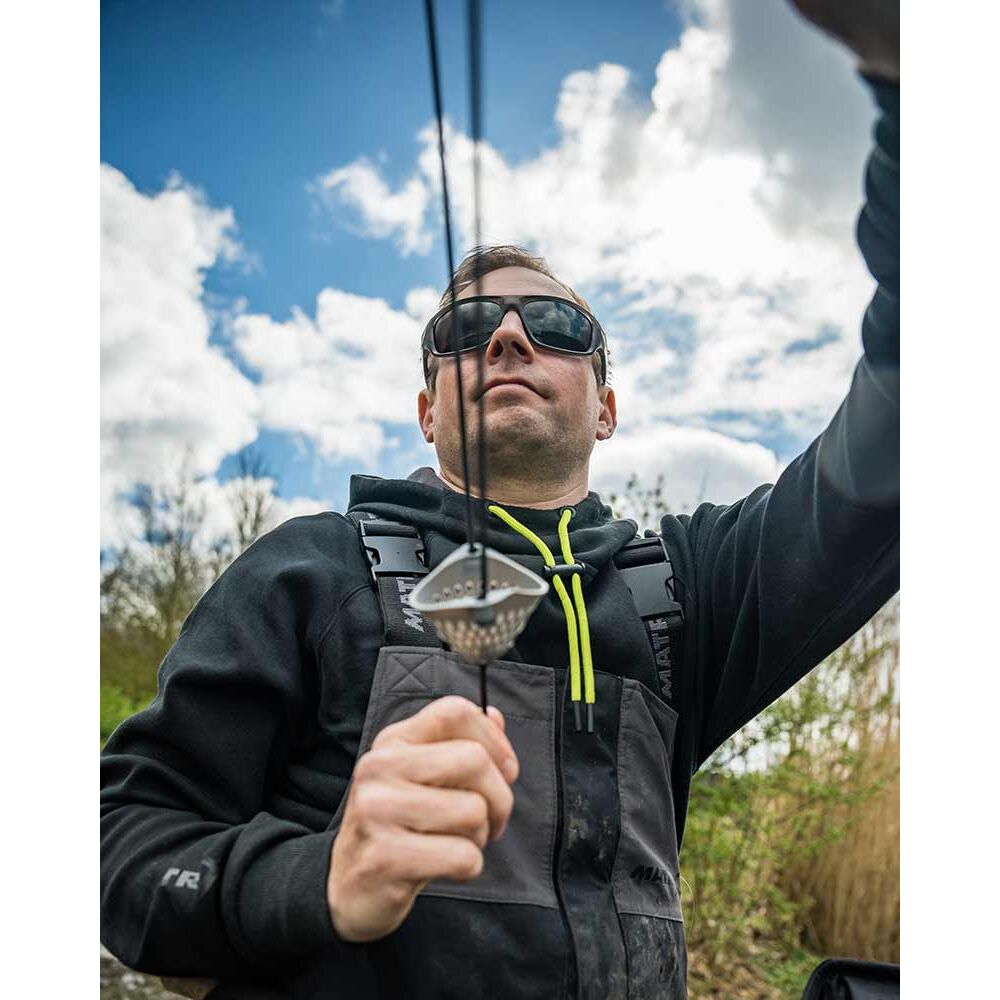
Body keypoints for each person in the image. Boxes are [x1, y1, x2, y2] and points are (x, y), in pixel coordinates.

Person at [100, 3, 899, 998]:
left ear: (605, 406)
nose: (510, 338)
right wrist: (316, 875)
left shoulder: (684, 594)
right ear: (427, 409)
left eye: (555, 323)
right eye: (466, 329)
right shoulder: (308, 569)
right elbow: (122, 844)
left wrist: (910, 85)